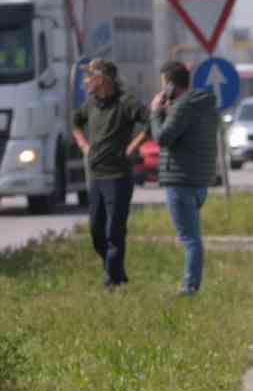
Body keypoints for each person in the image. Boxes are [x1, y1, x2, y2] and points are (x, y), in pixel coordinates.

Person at [71, 59, 148, 288]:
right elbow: (75, 123)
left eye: (89, 76)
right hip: (96, 176)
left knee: (114, 230)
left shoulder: (126, 102)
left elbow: (151, 122)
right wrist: (84, 145)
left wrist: (133, 147)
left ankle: (112, 282)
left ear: (102, 78)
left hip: (118, 177)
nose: (85, 81)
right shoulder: (91, 104)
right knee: (96, 231)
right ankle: (115, 270)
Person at [150, 61, 220, 296]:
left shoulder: (183, 108)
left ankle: (189, 287)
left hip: (179, 181)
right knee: (192, 237)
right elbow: (188, 133)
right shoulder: (203, 105)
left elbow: (162, 138)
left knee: (190, 239)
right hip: (199, 181)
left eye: (163, 85)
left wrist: (155, 113)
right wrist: (170, 111)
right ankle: (191, 284)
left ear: (169, 84)